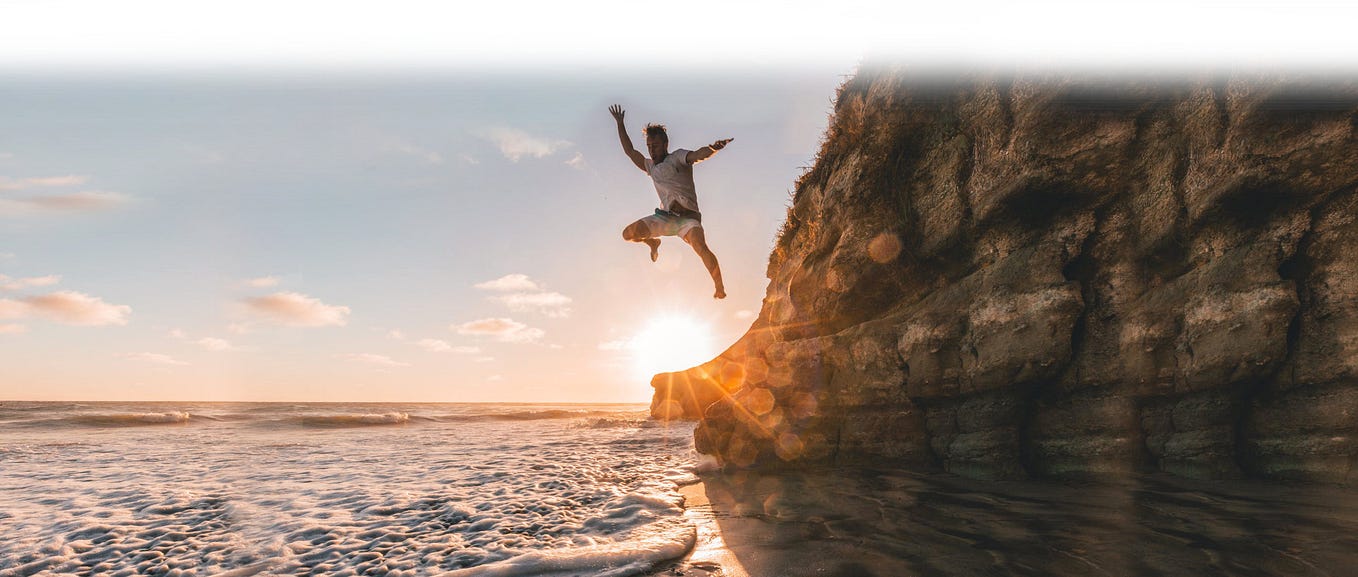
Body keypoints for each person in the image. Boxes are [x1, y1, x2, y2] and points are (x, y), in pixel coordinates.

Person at [609, 104, 733, 299]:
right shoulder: (650, 166)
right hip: (666, 219)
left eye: (655, 146)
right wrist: (620, 123)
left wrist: (712, 148)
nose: (651, 150)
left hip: (688, 219)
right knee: (627, 234)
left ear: (665, 144)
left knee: (701, 247)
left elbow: (697, 155)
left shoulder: (677, 157)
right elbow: (630, 150)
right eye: (649, 146)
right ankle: (653, 243)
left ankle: (719, 287)